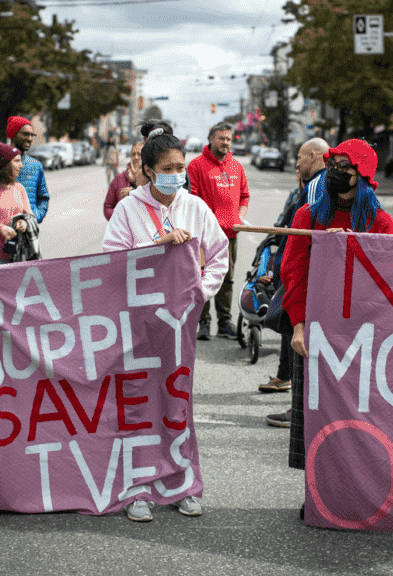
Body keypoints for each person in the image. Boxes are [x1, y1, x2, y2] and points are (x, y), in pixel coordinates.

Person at [102, 129, 229, 522]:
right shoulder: (128, 209)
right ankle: (138, 489)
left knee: (177, 404)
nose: (176, 174)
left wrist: (198, 295)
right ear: (148, 171)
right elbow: (112, 262)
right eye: (167, 169)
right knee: (139, 403)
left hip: (179, 329)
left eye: (180, 167)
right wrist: (158, 247)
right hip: (138, 326)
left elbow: (220, 255)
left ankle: (180, 485)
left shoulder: (196, 208)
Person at [280, 139, 393, 516]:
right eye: (334, 163)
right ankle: (317, 494)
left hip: (360, 337)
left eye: (346, 166)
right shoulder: (307, 217)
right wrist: (298, 326)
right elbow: (293, 274)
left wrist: (355, 249)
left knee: (358, 422)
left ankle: (358, 494)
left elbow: (387, 282)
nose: (336, 171)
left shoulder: (380, 223)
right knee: (317, 419)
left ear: (362, 174)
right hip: (313, 334)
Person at [263, 138, 329, 406]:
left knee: (296, 329)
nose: (297, 163)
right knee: (291, 326)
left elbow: (307, 235)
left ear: (313, 156)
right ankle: (285, 377)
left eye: (301, 157)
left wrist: (290, 266)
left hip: (305, 275)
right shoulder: (319, 183)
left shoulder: (315, 186)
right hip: (309, 274)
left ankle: (300, 407)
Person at [188, 121, 250, 341]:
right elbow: (191, 198)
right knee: (202, 277)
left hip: (230, 234)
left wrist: (239, 218)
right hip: (204, 236)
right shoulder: (196, 165)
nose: (225, 142)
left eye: (228, 139)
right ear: (211, 139)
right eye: (221, 138)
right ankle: (203, 323)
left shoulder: (236, 166)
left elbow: (244, 196)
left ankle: (224, 322)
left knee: (227, 278)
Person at [0, 116, 49, 223]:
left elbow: (43, 197)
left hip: (27, 233)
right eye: (25, 134)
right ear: (13, 135)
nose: (30, 138)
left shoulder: (36, 166)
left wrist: (34, 217)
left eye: (32, 135)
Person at [104, 141, 143, 220]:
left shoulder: (150, 177)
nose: (136, 157)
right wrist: (119, 220)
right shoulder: (119, 178)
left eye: (139, 154)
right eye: (133, 154)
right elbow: (108, 206)